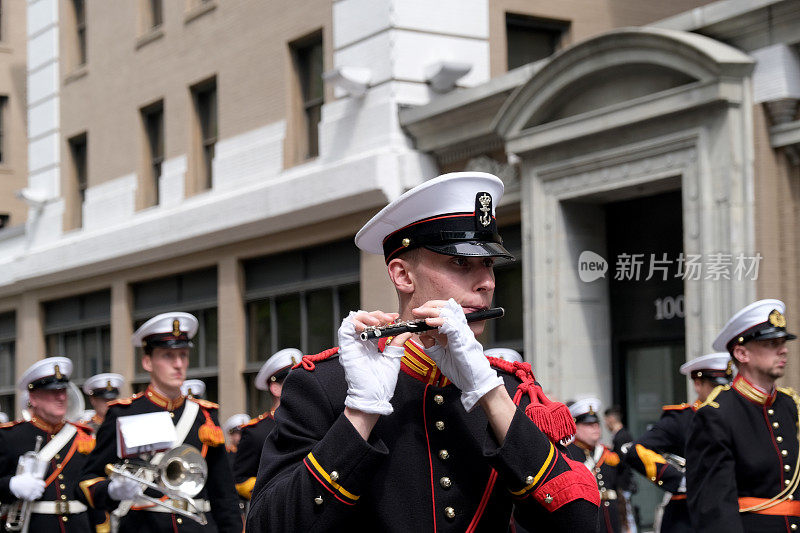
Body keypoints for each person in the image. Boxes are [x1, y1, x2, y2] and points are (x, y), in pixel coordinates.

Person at [246, 172, 599, 531]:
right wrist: (360, 416)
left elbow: (581, 522)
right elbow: (267, 525)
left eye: (489, 264)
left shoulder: (510, 390)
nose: (487, 283)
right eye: (461, 263)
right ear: (402, 275)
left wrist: (491, 396)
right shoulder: (326, 385)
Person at [77, 312, 242, 532]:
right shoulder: (125, 413)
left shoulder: (204, 415)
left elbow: (224, 491)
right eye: (168, 356)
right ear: (147, 362)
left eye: (183, 355)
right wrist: (112, 490)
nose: (178, 364)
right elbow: (87, 481)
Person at [686, 299, 799, 532]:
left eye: (783, 342)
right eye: (771, 343)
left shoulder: (790, 405)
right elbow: (714, 510)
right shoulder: (717, 415)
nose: (784, 349)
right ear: (741, 353)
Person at [624, 352, 731, 533]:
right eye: (715, 386)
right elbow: (636, 450)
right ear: (698, 384)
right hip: (688, 513)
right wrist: (679, 480)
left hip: (729, 506)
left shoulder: (734, 416)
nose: (721, 392)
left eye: (726, 387)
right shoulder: (682, 419)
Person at [0, 357, 94, 531]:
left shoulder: (81, 436)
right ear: (34, 398)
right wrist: (10, 485)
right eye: (53, 392)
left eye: (63, 390)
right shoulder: (9, 437)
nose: (61, 397)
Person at [232, 347, 301, 501]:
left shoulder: (311, 421)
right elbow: (240, 479)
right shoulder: (256, 432)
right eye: (292, 383)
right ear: (275, 388)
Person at [566, 397, 626, 533]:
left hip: (612, 518)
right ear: (575, 426)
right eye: (588, 424)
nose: (595, 428)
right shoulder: (568, 454)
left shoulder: (607, 453)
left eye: (597, 423)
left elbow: (618, 489)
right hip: (586, 520)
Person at [604, 405, 637, 533]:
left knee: (626, 516)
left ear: (611, 418)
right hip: (623, 482)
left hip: (623, 482)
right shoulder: (622, 435)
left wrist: (609, 455)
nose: (606, 423)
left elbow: (622, 460)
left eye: (606, 419)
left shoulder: (621, 436)